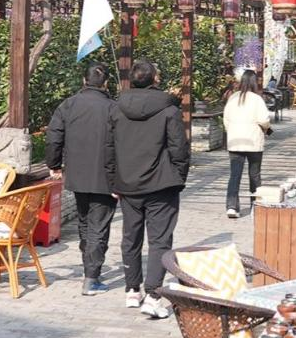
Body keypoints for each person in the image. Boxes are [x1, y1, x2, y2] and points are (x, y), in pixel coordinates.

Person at [105, 60, 189, 319]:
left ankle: (132, 289)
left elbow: (109, 147)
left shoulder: (117, 108)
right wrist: (179, 176)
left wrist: (113, 180)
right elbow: (179, 148)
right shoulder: (169, 109)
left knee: (131, 237)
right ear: (155, 79)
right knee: (160, 240)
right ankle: (153, 295)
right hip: (161, 183)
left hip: (128, 183)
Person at [45, 62, 116, 296]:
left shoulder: (68, 105)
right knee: (98, 225)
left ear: (84, 81)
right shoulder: (113, 108)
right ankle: (91, 277)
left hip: (77, 174)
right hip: (106, 175)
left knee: (85, 222)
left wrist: (54, 165)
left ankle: (89, 268)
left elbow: (54, 137)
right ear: (106, 83)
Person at [223, 69, 272, 219]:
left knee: (235, 175)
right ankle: (255, 206)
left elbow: (226, 119)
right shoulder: (257, 99)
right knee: (254, 175)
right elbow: (264, 120)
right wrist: (266, 128)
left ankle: (232, 207)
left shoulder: (233, 98)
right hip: (253, 141)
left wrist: (232, 130)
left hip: (235, 140)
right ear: (254, 82)